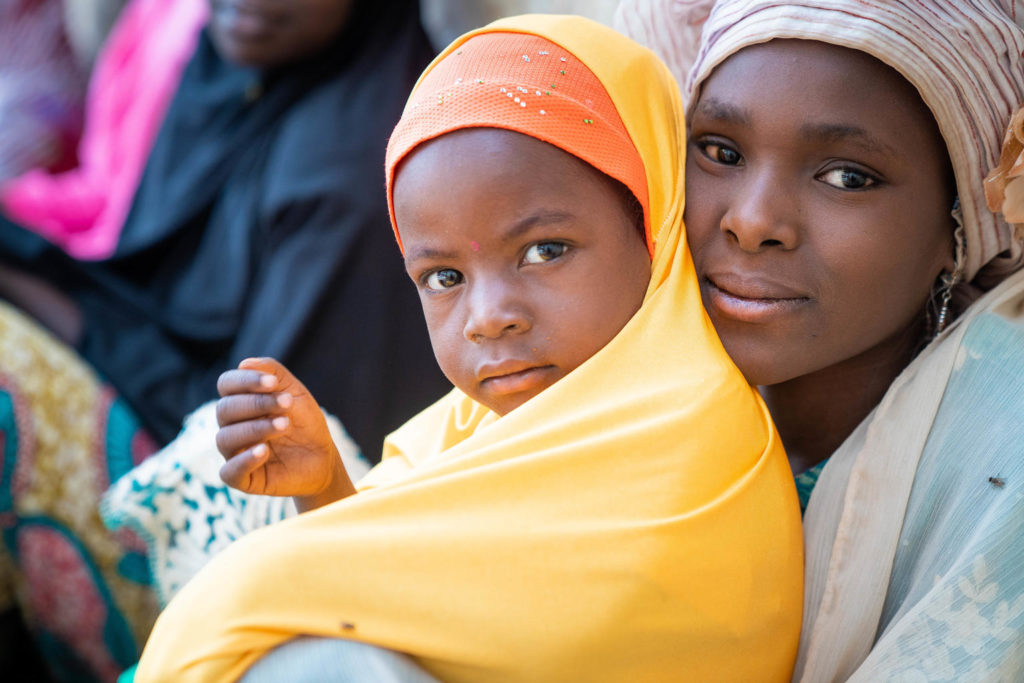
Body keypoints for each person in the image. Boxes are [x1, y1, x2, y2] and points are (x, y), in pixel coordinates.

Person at [133, 15, 804, 682]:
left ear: (653, 222)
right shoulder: (462, 429)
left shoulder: (696, 449)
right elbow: (428, 612)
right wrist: (330, 492)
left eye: (545, 251)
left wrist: (298, 569)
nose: (487, 319)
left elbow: (558, 637)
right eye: (445, 278)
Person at [0, 1, 448, 680]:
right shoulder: (228, 69)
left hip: (222, 528)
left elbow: (246, 432)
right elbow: (145, 286)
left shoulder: (351, 174)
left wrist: (41, 301)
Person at [618, 0, 1024, 678]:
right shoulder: (598, 395)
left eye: (847, 176)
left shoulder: (1002, 468)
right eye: (720, 151)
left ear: (959, 227)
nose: (751, 222)